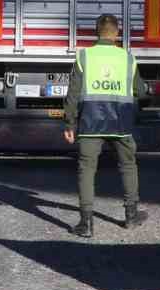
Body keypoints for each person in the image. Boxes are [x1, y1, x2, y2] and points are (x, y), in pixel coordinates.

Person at [62, 13, 149, 238]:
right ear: (117, 33)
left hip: (90, 122)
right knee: (128, 165)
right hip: (121, 122)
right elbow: (141, 90)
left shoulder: (84, 57)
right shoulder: (128, 58)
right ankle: (131, 216)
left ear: (96, 32)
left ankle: (86, 223)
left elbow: (72, 93)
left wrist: (70, 123)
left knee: (87, 169)